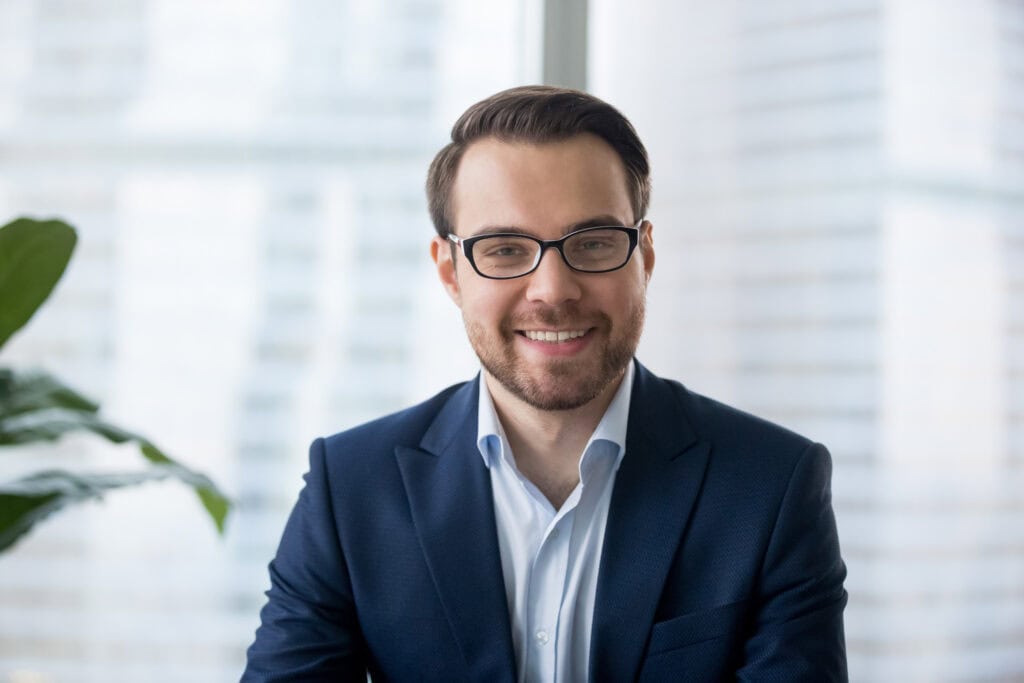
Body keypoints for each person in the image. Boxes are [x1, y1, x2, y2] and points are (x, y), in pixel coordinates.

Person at [243, 86, 848, 682]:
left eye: (592, 243)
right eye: (505, 249)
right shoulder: (349, 489)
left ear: (646, 255)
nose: (553, 289)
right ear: (450, 273)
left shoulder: (771, 488)